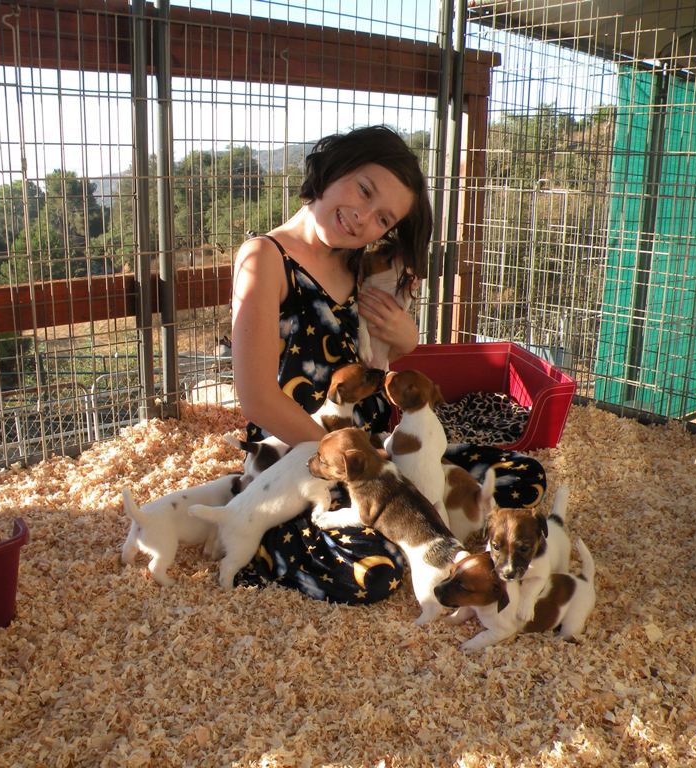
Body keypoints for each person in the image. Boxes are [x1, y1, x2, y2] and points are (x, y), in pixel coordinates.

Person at [228, 124, 546, 604]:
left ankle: (419, 522)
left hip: (382, 451)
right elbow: (254, 396)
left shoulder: (360, 262)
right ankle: (256, 530)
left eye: (383, 218)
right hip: (305, 457)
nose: (363, 218)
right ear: (333, 168)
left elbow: (378, 363)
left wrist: (407, 339)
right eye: (364, 190)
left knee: (523, 476)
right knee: (375, 572)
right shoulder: (265, 257)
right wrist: (351, 463)